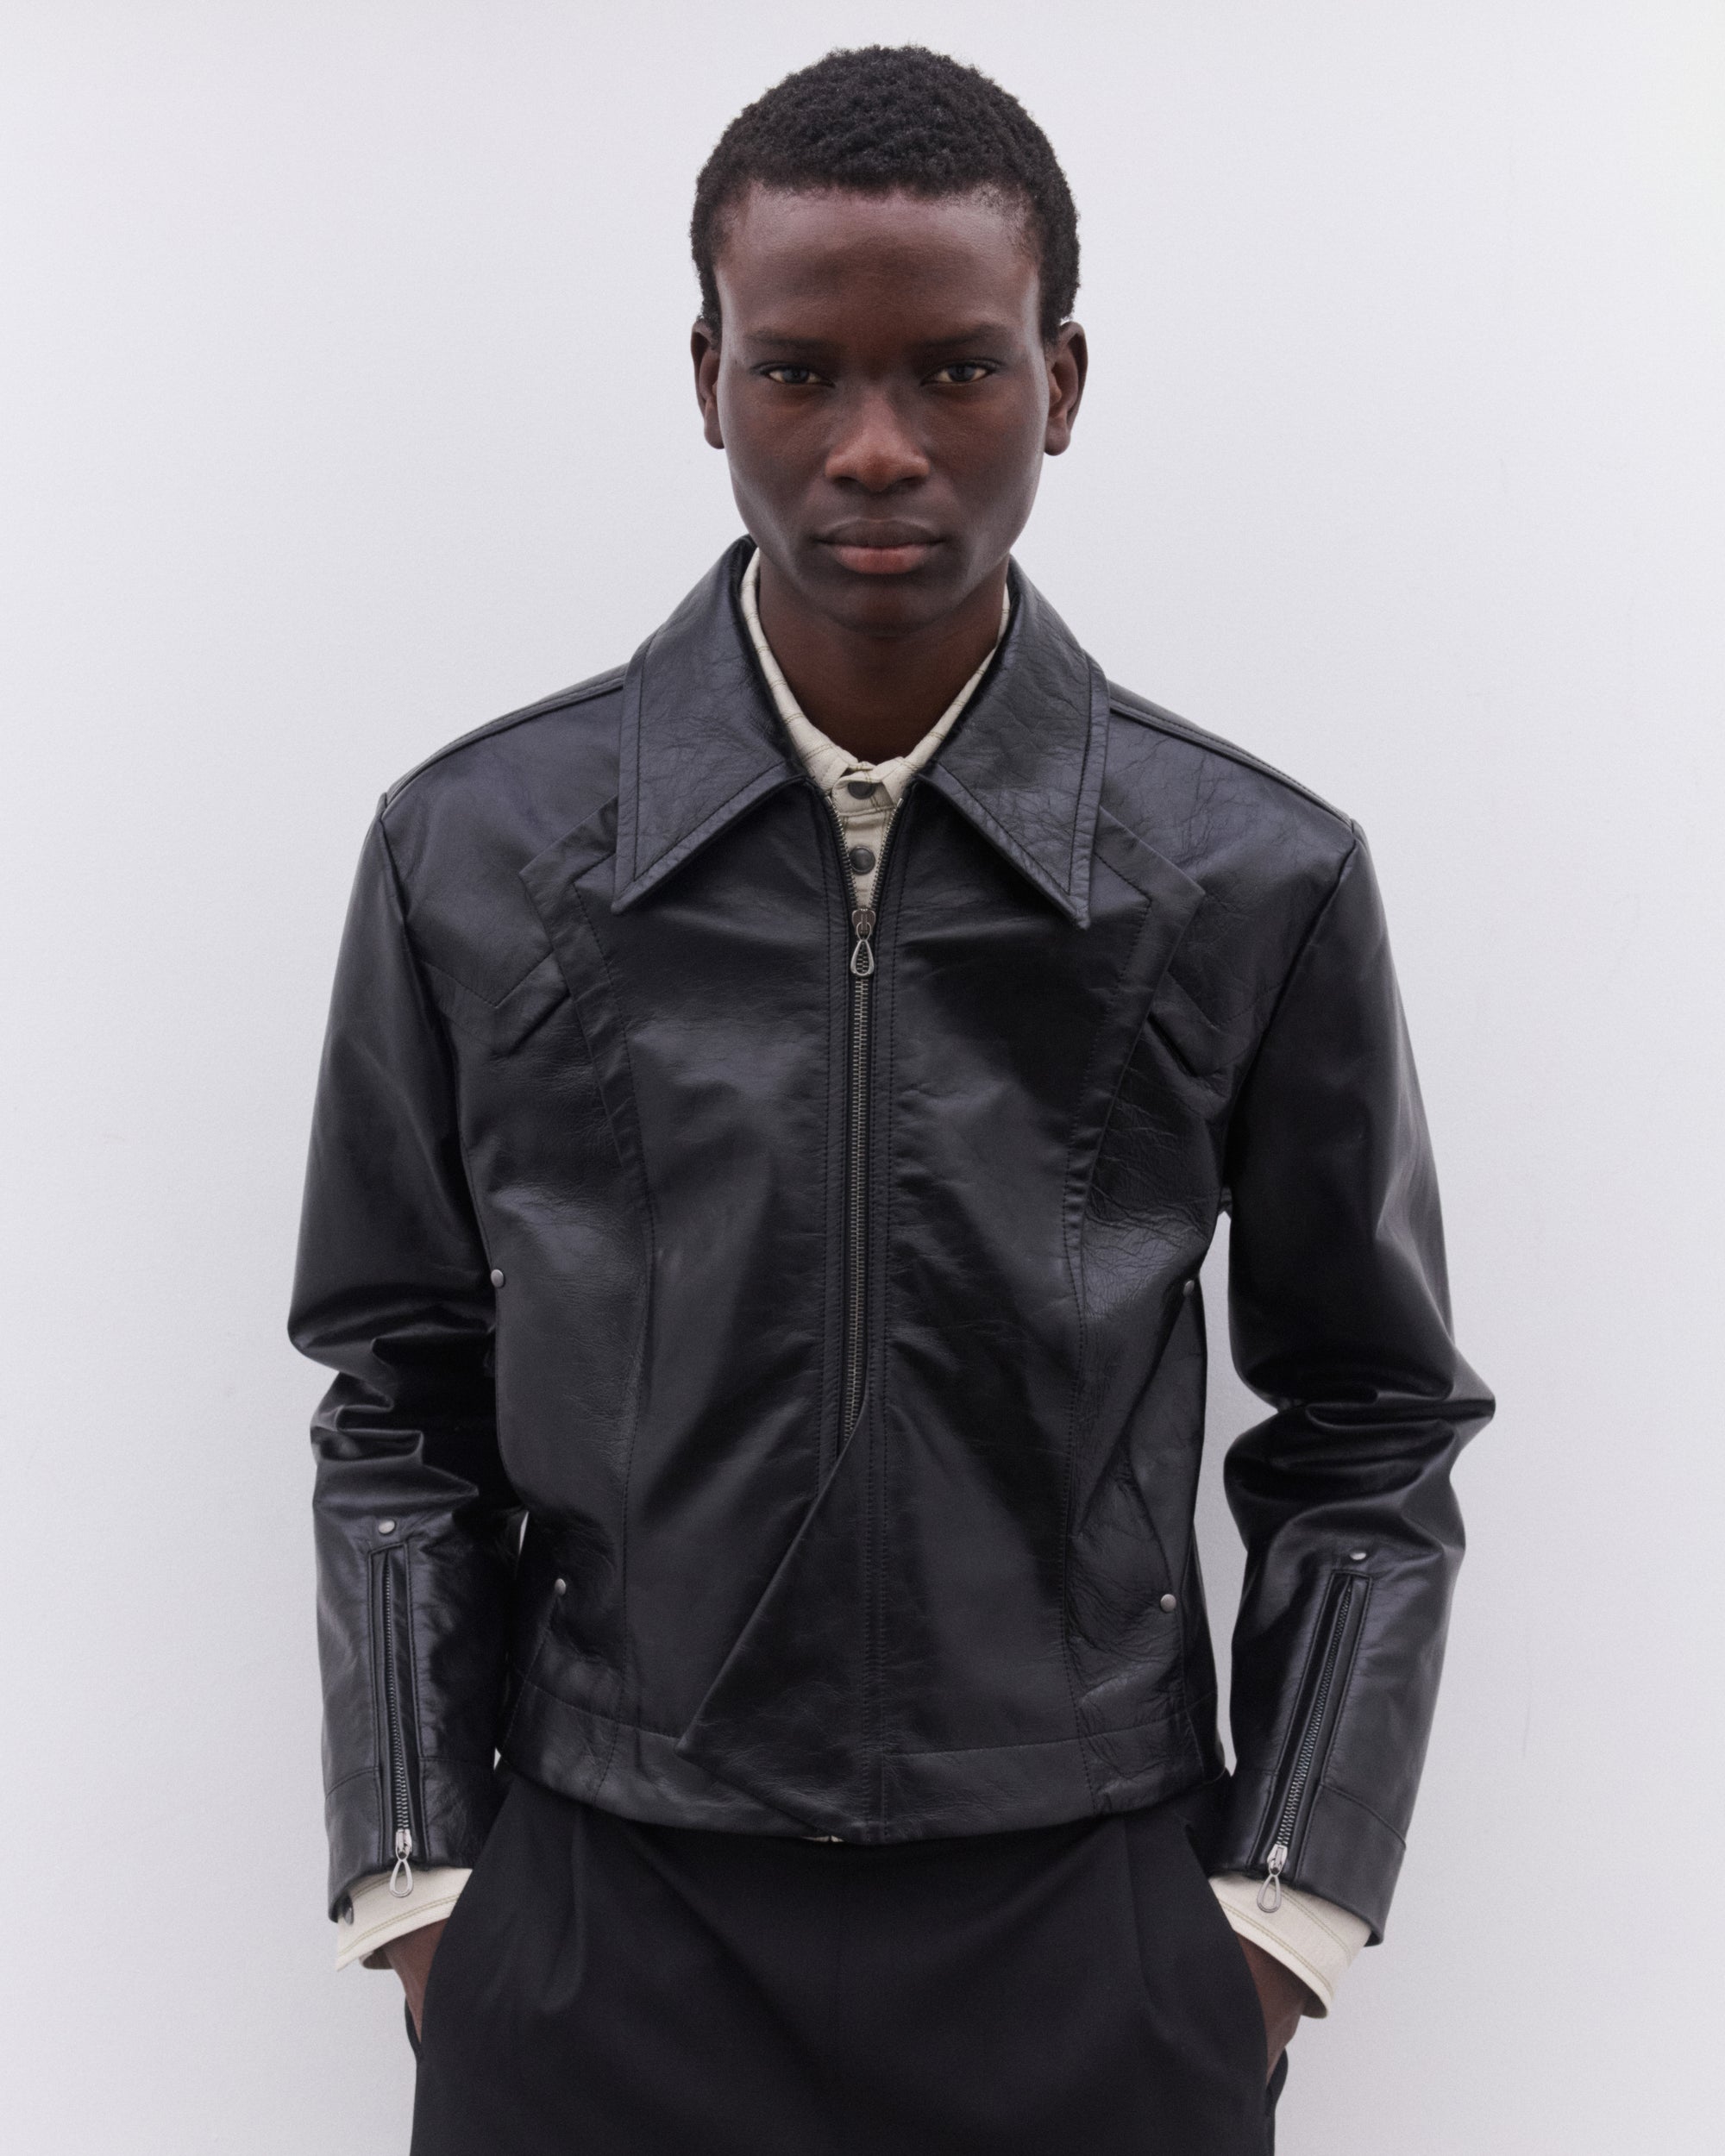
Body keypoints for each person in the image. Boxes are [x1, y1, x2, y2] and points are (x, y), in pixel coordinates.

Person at [291, 45, 1492, 2155]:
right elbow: (398, 1381)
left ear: (1060, 379)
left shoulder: (1250, 877)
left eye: (953, 370)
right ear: (707, 377)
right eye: (797, 371)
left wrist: (1278, 1916)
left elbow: (1372, 1418)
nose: (872, 445)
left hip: (1085, 1918)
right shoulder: (472, 851)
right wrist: (421, 1890)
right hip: (602, 1913)